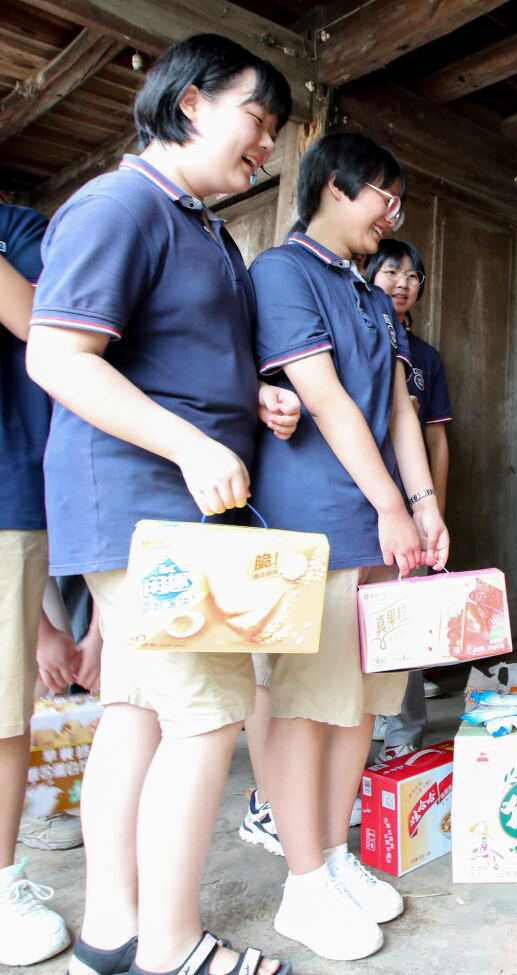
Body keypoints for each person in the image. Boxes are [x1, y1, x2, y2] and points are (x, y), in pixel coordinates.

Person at [24, 34, 299, 975]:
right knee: (206, 714)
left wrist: (249, 400)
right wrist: (190, 442)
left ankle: (113, 933)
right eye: (257, 118)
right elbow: (57, 356)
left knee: (138, 712)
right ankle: (174, 947)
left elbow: (165, 357)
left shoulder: (200, 224)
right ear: (190, 104)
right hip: (148, 502)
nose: (266, 143)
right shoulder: (122, 203)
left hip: (164, 507)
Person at [248, 132, 449, 962]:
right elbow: (325, 398)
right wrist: (391, 505)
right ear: (335, 186)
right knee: (304, 704)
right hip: (315, 523)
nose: (392, 216)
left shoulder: (370, 293)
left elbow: (401, 410)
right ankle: (302, 884)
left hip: (379, 525)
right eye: (384, 198)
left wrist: (424, 505)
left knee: (360, 703)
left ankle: (333, 856)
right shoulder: (283, 273)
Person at [0, 202, 73, 966]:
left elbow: (44, 325)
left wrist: (52, 626)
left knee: (5, 709)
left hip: (12, 500)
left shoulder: (23, 228)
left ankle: (2, 882)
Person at [365, 238, 451, 759]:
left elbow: (436, 438)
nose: (402, 283)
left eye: (412, 275)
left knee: (401, 617)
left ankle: (402, 732)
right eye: (391, 272)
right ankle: (365, 724)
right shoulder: (353, 336)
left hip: (409, 503)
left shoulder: (426, 358)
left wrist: (432, 507)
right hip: (358, 502)